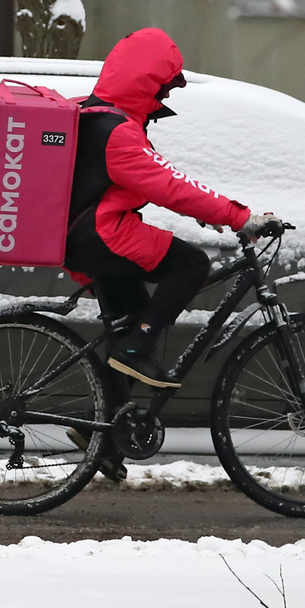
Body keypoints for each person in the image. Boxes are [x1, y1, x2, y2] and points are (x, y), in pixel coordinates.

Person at [66, 28, 279, 388]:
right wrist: (240, 217)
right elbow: (169, 184)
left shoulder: (96, 112)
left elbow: (143, 179)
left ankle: (104, 433)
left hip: (79, 235)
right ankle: (135, 351)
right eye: (163, 87)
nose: (164, 95)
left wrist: (201, 210)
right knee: (191, 264)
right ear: (144, 82)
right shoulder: (116, 130)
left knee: (132, 327)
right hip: (99, 234)